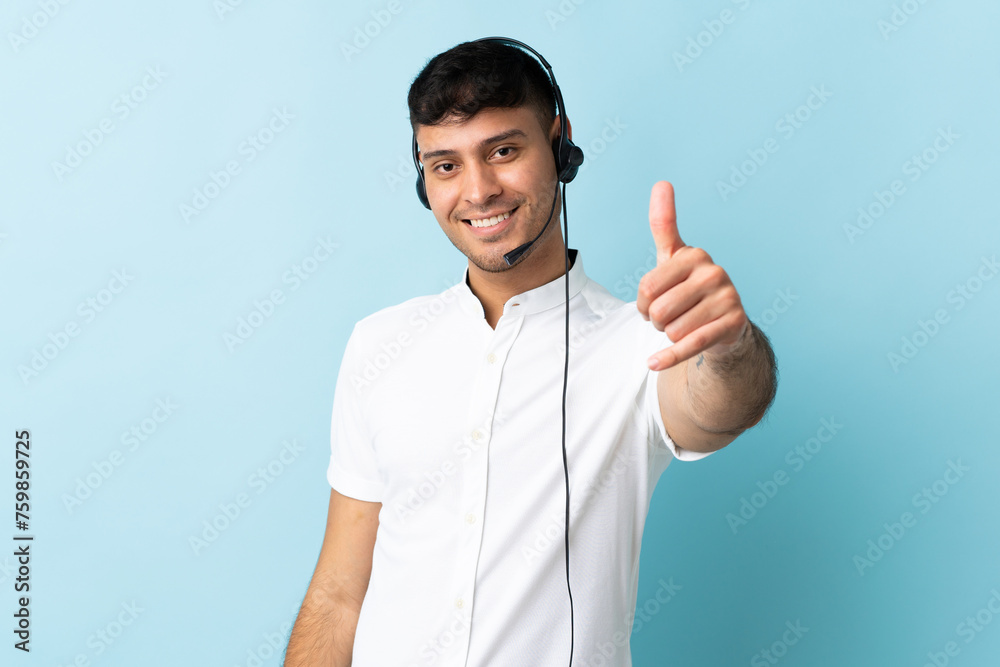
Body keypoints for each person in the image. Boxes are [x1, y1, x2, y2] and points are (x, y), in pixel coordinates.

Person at [285, 38, 777, 667]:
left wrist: (731, 345)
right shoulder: (379, 344)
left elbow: (723, 406)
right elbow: (337, 595)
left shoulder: (643, 341)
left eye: (503, 151)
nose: (478, 190)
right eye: (445, 165)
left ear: (559, 144)